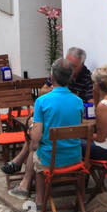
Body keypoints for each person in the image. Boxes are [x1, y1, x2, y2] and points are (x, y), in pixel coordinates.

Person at [10, 58, 84, 204]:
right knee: (40, 151)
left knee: (37, 153)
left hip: (51, 159)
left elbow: (36, 138)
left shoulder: (42, 101)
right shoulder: (78, 101)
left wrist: (31, 127)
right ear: (70, 78)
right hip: (75, 157)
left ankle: (39, 201)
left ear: (52, 77)